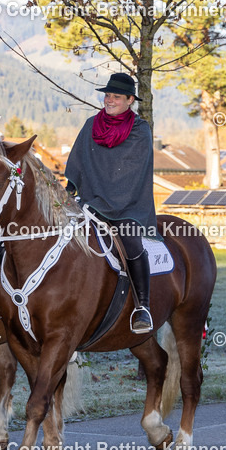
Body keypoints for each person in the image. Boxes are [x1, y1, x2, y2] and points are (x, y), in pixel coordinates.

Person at [64, 72, 157, 334]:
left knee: (131, 242)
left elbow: (131, 173)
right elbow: (78, 162)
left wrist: (105, 203)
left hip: (126, 206)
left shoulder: (141, 131)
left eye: (116, 96)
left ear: (130, 100)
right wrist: (70, 191)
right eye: (107, 95)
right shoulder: (91, 124)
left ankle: (143, 307)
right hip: (90, 202)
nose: (110, 100)